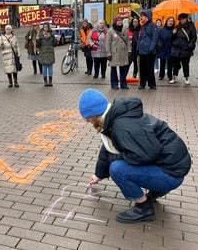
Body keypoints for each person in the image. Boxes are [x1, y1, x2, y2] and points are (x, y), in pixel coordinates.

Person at [78, 88, 191, 223]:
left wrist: (116, 160)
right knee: (118, 163)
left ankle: (143, 208)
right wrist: (99, 174)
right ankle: (156, 191)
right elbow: (108, 149)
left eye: (87, 117)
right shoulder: (115, 117)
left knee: (117, 169)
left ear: (95, 114)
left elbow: (146, 155)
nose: (86, 121)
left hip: (171, 175)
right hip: (172, 167)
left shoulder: (121, 127)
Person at [169, 13, 197, 85]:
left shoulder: (191, 26)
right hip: (176, 49)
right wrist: (173, 33)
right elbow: (172, 38)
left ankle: (186, 78)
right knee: (176, 64)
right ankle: (174, 77)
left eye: (184, 19)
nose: (182, 20)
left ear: (186, 19)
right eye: (181, 19)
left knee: (185, 64)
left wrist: (190, 46)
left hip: (186, 49)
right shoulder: (177, 27)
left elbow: (194, 37)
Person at [105, 15, 131, 89]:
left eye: (121, 21)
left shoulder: (124, 30)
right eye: (118, 21)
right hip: (114, 53)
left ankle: (123, 85)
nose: (120, 22)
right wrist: (108, 53)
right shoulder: (110, 31)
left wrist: (129, 50)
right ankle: (114, 84)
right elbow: (107, 43)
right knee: (113, 69)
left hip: (123, 53)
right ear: (115, 22)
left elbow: (128, 41)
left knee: (123, 69)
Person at [137, 10, 158, 90]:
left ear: (147, 17)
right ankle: (142, 84)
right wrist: (138, 48)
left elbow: (154, 38)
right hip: (142, 51)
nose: (141, 17)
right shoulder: (142, 25)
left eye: (143, 16)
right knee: (142, 69)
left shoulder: (153, 25)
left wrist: (151, 49)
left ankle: (152, 84)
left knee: (149, 68)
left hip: (149, 51)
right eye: (141, 16)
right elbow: (140, 38)